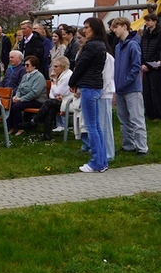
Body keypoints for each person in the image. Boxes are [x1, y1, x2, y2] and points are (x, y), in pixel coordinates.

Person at [68, 17, 109, 173]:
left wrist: (72, 82)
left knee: (91, 126)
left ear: (95, 28)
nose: (84, 30)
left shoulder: (91, 46)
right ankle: (102, 161)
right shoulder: (101, 44)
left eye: (87, 27)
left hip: (89, 87)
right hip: (95, 86)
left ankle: (96, 162)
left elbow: (81, 66)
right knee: (96, 126)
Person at [112, 17, 148, 155]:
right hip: (120, 88)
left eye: (116, 27)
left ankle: (142, 148)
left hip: (132, 88)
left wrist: (126, 81)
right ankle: (128, 145)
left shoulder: (133, 45)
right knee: (123, 119)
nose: (114, 30)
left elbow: (135, 66)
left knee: (136, 119)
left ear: (124, 27)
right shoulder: (118, 46)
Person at [29, 56, 73, 141]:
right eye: (53, 66)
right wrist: (56, 93)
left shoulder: (68, 76)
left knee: (49, 103)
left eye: (56, 66)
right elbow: (52, 95)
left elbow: (58, 92)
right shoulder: (57, 75)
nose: (53, 68)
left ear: (63, 67)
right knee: (50, 108)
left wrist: (54, 81)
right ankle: (46, 135)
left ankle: (34, 120)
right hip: (58, 101)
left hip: (68, 103)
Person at [8, 55, 47, 136]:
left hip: (37, 100)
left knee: (16, 107)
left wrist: (21, 99)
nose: (25, 67)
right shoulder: (25, 76)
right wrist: (16, 96)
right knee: (11, 104)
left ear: (34, 66)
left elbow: (35, 93)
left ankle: (20, 128)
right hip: (26, 99)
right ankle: (12, 127)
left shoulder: (39, 76)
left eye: (27, 65)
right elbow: (19, 88)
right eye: (24, 65)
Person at [140, 13, 161, 121]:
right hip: (146, 66)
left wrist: (149, 64)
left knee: (156, 90)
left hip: (155, 66)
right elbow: (141, 49)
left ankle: (159, 114)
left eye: (149, 20)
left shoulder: (160, 34)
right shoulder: (145, 34)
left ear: (155, 21)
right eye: (146, 21)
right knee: (146, 91)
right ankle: (149, 114)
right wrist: (142, 63)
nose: (147, 23)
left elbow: (160, 50)